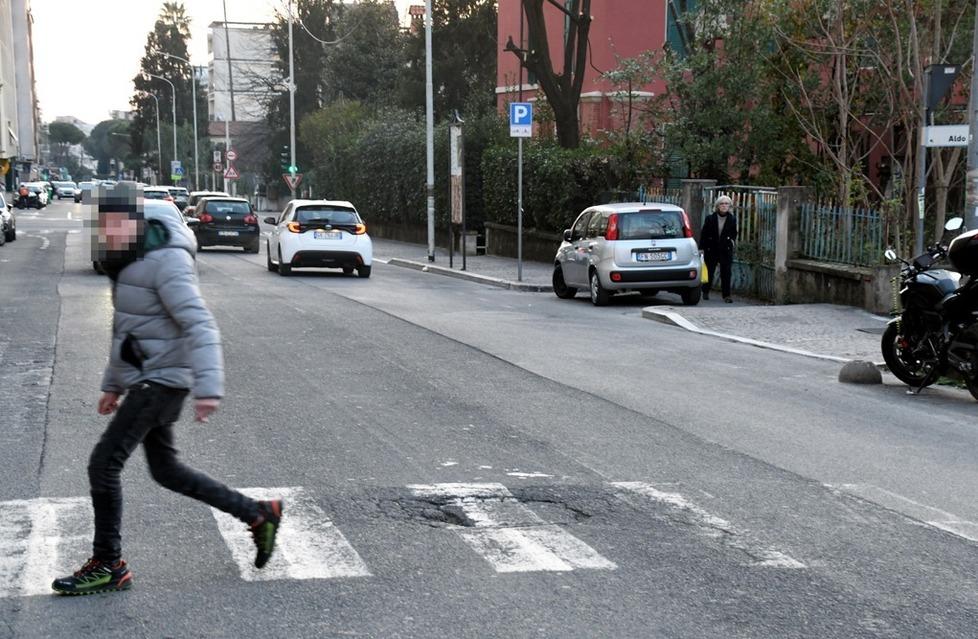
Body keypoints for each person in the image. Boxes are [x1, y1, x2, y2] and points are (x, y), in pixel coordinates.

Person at [52, 183, 283, 595]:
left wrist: (208, 387)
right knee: (166, 470)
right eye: (100, 226)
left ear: (133, 222)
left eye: (111, 224)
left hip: (161, 381)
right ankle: (257, 514)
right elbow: (128, 330)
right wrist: (113, 384)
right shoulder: (126, 261)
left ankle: (108, 563)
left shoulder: (165, 259)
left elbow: (199, 322)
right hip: (147, 378)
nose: (104, 232)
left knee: (103, 464)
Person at [699, 195, 738, 303]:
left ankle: (727, 295)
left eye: (726, 203)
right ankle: (705, 291)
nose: (724, 206)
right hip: (711, 248)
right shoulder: (710, 218)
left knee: (726, 272)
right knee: (710, 271)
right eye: (722, 203)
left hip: (725, 249)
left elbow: (734, 233)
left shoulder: (732, 219)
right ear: (717, 206)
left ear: (729, 206)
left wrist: (731, 242)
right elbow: (704, 234)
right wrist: (701, 248)